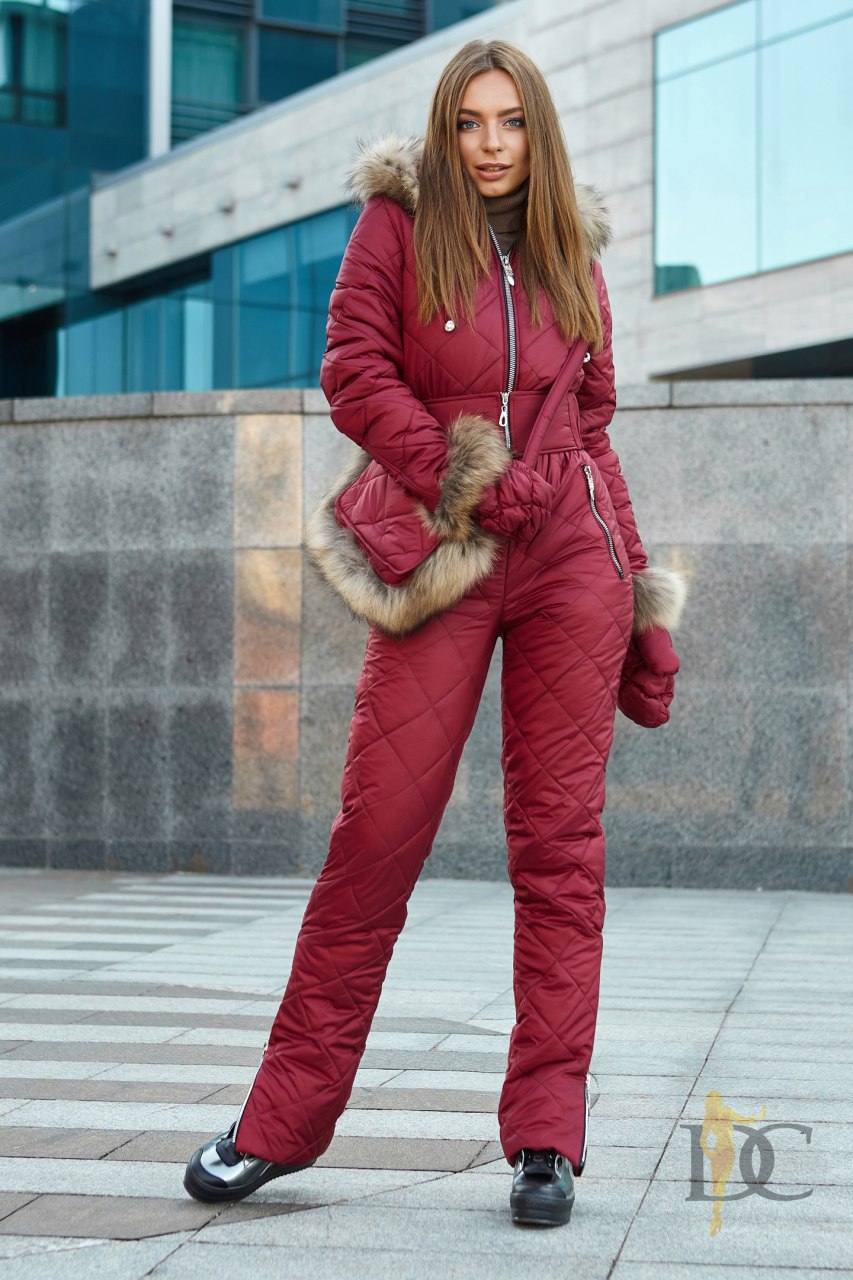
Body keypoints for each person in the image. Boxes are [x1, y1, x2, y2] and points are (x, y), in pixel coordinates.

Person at [183, 38, 685, 1229]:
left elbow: (595, 427)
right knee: (378, 833)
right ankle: (278, 1122)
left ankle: (547, 1139)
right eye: (472, 121)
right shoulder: (396, 227)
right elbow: (353, 372)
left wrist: (639, 593)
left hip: (571, 560)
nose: (493, 142)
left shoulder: (574, 251)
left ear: (538, 132)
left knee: (561, 850)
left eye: (512, 121)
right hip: (449, 553)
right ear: (446, 130)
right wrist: (461, 472)